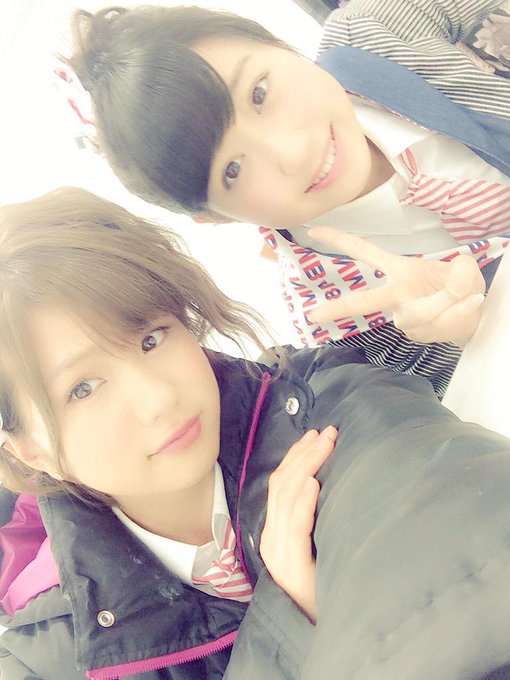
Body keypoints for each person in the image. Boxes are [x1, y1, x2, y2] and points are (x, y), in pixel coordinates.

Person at [1, 188, 510, 680]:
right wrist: (295, 618)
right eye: (83, 389)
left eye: (152, 338)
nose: (158, 399)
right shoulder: (42, 659)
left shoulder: (319, 407)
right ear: (31, 451)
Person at [62, 1, 510, 398]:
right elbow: (452, 401)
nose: (292, 153)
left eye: (259, 93)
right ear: (215, 218)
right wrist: (464, 334)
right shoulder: (335, 310)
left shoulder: (380, 31)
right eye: (233, 169)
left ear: (277, 44)